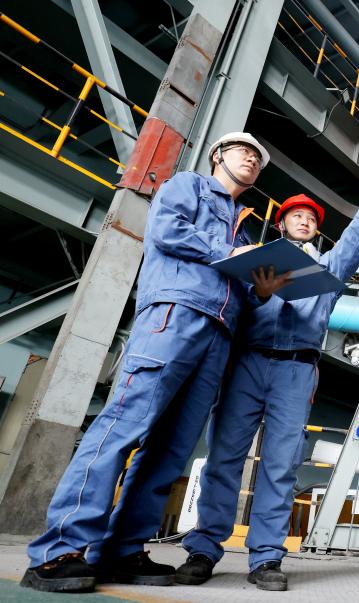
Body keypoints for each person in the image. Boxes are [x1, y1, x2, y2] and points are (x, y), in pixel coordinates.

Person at [22, 133, 273, 594]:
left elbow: (238, 285)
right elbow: (166, 231)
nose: (253, 159)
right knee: (123, 426)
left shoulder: (244, 230)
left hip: (218, 337)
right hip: (175, 315)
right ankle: (59, 550)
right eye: (245, 151)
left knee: (171, 450)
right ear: (218, 155)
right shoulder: (189, 187)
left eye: (259, 158)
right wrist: (228, 254)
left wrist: (260, 289)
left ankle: (121, 550)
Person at [176, 168, 359, 592]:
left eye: (311, 219)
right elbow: (231, 305)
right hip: (247, 363)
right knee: (224, 458)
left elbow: (351, 245)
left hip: (296, 369)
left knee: (281, 464)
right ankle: (202, 550)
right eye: (297, 216)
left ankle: (266, 557)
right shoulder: (254, 261)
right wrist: (260, 293)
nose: (305, 221)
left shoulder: (327, 271)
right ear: (281, 224)